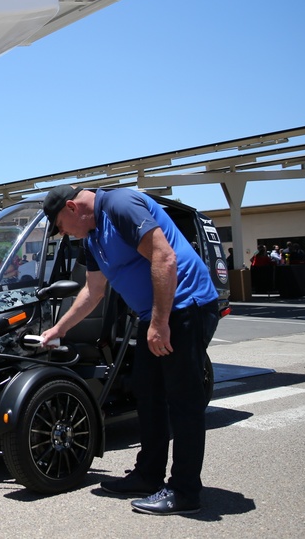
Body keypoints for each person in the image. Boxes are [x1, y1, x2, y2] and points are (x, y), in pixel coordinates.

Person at [39, 185, 219, 516]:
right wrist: (58, 329)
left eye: (60, 227)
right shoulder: (92, 237)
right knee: (147, 394)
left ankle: (185, 491)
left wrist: (160, 322)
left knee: (183, 401)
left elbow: (165, 257)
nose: (63, 235)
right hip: (156, 313)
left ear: (71, 207)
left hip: (185, 307)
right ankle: (148, 476)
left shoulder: (120, 206)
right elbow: (93, 292)